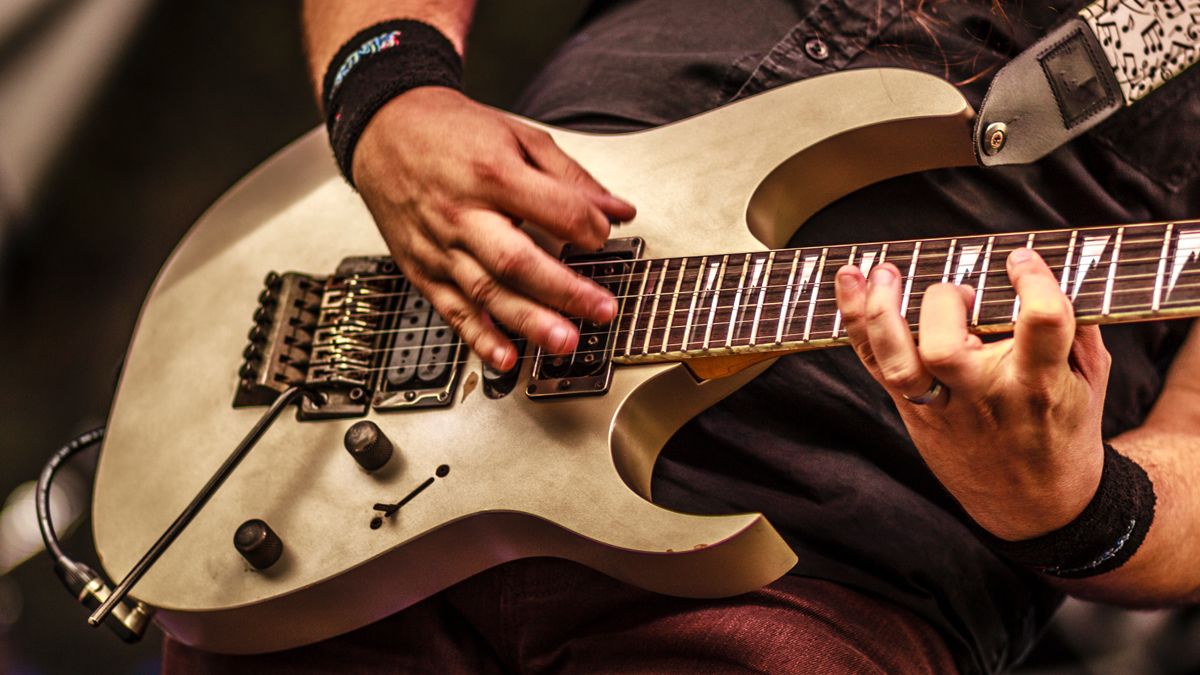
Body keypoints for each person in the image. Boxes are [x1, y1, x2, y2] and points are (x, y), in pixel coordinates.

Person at [165, 1, 1200, 672]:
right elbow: (385, 70)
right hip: (387, 430)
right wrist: (387, 92)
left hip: (818, 577)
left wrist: (1071, 503)